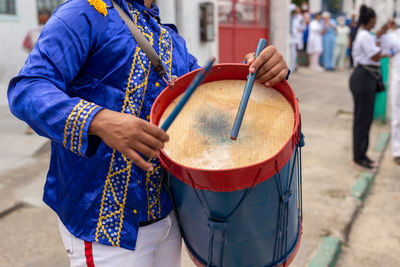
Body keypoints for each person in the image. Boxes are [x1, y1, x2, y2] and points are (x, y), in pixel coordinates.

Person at [7, 0, 289, 266]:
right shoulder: (84, 13)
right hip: (105, 226)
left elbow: (210, 107)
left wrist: (260, 73)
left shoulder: (170, 40)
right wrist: (99, 120)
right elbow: (27, 89)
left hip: (169, 217)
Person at [349, 5, 389, 169]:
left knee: (364, 119)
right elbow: (375, 54)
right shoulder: (364, 35)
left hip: (365, 77)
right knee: (362, 120)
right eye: (374, 20)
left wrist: (381, 34)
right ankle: (359, 157)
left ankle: (361, 154)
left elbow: (374, 43)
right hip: (363, 78)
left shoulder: (365, 34)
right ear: (369, 20)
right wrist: (391, 51)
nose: (375, 23)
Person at [22, 9, 51, 135]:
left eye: (43, 18)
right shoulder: (34, 31)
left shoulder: (53, 29)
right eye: (41, 18)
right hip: (37, 68)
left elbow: (25, 46)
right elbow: (25, 45)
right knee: (33, 96)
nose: (42, 20)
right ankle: (31, 124)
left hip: (49, 68)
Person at [381, 21, 400, 165]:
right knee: (397, 117)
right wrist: (384, 28)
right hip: (397, 81)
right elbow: (376, 41)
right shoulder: (393, 37)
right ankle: (397, 151)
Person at [290, 5, 306, 72]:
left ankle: (293, 66)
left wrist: (300, 30)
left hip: (296, 37)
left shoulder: (300, 18)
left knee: (294, 52)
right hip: (290, 37)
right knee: (290, 52)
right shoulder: (290, 17)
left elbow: (303, 27)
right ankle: (291, 66)